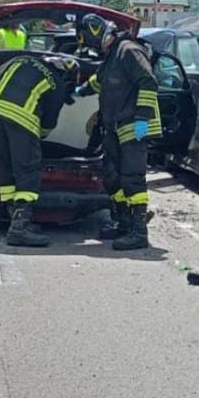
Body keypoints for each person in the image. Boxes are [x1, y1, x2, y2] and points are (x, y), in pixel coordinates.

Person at [76, 13, 161, 251]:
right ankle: (123, 223)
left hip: (134, 125)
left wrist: (142, 120)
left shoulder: (128, 50)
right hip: (116, 127)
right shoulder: (112, 56)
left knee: (132, 178)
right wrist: (77, 91)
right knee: (113, 176)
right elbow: (98, 82)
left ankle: (139, 232)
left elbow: (148, 82)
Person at [0, 52, 80, 247]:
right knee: (27, 173)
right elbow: (48, 125)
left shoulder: (19, 60)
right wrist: (37, 139)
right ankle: (20, 227)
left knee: (6, 170)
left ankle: (10, 216)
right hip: (21, 122)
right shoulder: (56, 85)